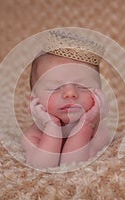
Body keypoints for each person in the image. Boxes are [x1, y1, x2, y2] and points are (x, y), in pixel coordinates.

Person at [20, 31, 112, 168]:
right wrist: (52, 128)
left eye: (82, 86)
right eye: (55, 88)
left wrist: (86, 124)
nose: (70, 93)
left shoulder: (100, 132)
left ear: (99, 95)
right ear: (34, 100)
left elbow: (72, 164)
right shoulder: (33, 136)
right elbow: (42, 166)